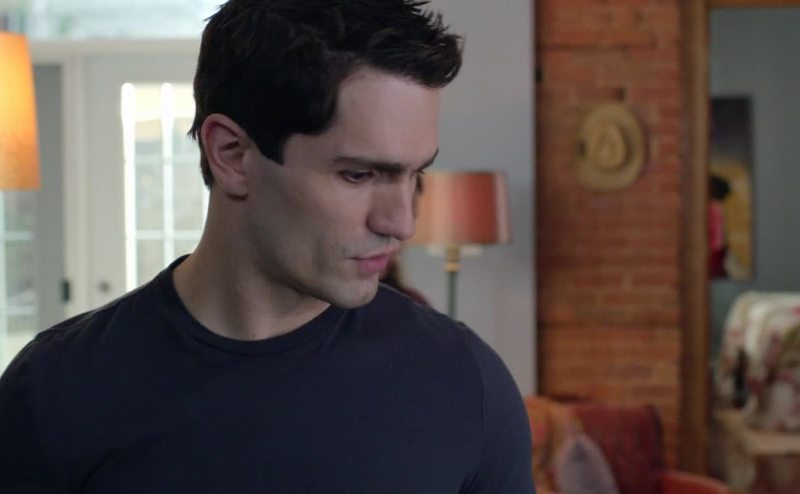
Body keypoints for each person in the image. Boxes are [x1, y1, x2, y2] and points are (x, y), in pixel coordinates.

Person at [0, 0, 534, 492]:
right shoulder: (53, 393)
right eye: (358, 174)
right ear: (232, 154)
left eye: (416, 174)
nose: (401, 222)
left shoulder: (465, 383)